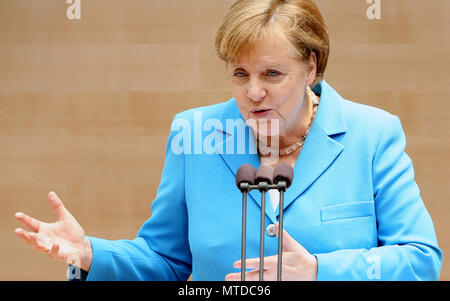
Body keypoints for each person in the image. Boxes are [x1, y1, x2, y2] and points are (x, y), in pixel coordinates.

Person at [14, 0, 442, 281]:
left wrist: (318, 271)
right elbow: (168, 260)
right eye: (240, 74)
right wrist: (91, 253)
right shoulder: (193, 133)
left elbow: (421, 259)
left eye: (272, 74)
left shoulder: (373, 134)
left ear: (311, 67)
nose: (253, 92)